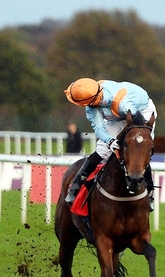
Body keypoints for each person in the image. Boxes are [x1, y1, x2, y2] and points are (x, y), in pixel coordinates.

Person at [64, 78, 157, 209]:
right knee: (103, 149)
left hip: (141, 111)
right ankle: (75, 186)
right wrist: (110, 141)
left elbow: (135, 121)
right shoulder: (91, 106)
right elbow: (99, 129)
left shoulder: (123, 103)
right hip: (116, 115)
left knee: (138, 148)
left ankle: (150, 191)